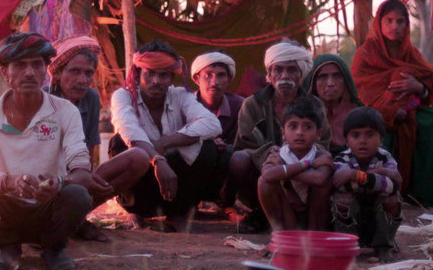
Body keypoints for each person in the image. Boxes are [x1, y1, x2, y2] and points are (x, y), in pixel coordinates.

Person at [0, 32, 148, 270]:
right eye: (19, 66)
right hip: (8, 204)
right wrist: (8, 182)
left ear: (46, 70)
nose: (29, 73)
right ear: (6, 73)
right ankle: (6, 246)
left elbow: (80, 167)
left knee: (77, 195)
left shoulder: (65, 111)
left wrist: (57, 183)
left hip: (49, 205)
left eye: (36, 64)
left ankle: (53, 248)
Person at [350, 0, 433, 207]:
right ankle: (387, 192)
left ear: (406, 24)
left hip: (411, 110)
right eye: (389, 21)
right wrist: (390, 110)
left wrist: (418, 88)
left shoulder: (411, 52)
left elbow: (432, 83)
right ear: (379, 22)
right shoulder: (366, 53)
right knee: (379, 131)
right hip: (377, 114)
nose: (394, 26)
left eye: (400, 21)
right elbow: (360, 92)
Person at [109, 40, 222, 232]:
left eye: (163, 75)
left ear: (171, 78)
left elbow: (212, 124)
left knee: (208, 149)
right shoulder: (123, 95)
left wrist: (164, 143)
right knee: (119, 143)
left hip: (172, 182)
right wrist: (157, 158)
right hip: (142, 179)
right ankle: (134, 209)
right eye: (150, 73)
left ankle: (177, 213)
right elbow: (128, 130)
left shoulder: (180, 96)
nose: (156, 81)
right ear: (138, 75)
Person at [47, 35, 151, 242]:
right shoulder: (42, 100)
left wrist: (87, 176)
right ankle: (59, 220)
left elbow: (90, 147)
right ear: (57, 74)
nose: (82, 80)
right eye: (74, 71)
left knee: (138, 157)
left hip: (77, 175)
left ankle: (76, 217)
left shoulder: (90, 98)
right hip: (47, 180)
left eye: (88, 73)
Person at [231, 39, 329, 232]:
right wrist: (271, 153)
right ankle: (259, 211)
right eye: (278, 70)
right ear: (269, 74)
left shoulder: (315, 105)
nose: (285, 75)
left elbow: (323, 142)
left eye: (291, 70)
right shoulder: (252, 104)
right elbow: (246, 142)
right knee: (239, 159)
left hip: (305, 167)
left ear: (301, 74)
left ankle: (314, 226)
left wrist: (295, 160)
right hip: (268, 167)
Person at [331, 107, 402, 262]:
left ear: (381, 139)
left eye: (370, 135)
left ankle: (384, 246)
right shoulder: (342, 158)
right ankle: (347, 245)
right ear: (346, 140)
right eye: (355, 135)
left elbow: (391, 186)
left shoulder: (385, 157)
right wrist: (377, 176)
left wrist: (355, 176)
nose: (362, 141)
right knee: (342, 198)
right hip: (354, 215)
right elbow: (340, 185)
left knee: (393, 198)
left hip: (377, 212)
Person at [257, 96, 334, 231]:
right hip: (288, 216)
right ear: (283, 133)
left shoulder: (322, 155)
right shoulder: (279, 156)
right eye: (293, 126)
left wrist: (282, 172)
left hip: (315, 217)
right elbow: (268, 175)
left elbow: (319, 178)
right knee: (263, 183)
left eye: (307, 127)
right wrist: (309, 164)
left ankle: (313, 238)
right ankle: (280, 236)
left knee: (324, 185)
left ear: (318, 134)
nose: (299, 132)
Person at [190, 50, 244, 210]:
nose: (214, 82)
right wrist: (205, 141)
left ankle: (226, 204)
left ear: (229, 79)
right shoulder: (184, 104)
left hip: (223, 167)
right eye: (208, 75)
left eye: (221, 75)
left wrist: (226, 146)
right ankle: (188, 204)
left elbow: (243, 143)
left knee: (233, 155)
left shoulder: (240, 106)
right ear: (197, 78)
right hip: (191, 169)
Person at [304, 54, 363, 154]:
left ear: (345, 81)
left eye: (337, 76)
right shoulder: (303, 114)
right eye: (323, 77)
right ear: (313, 83)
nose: (330, 83)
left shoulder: (359, 114)